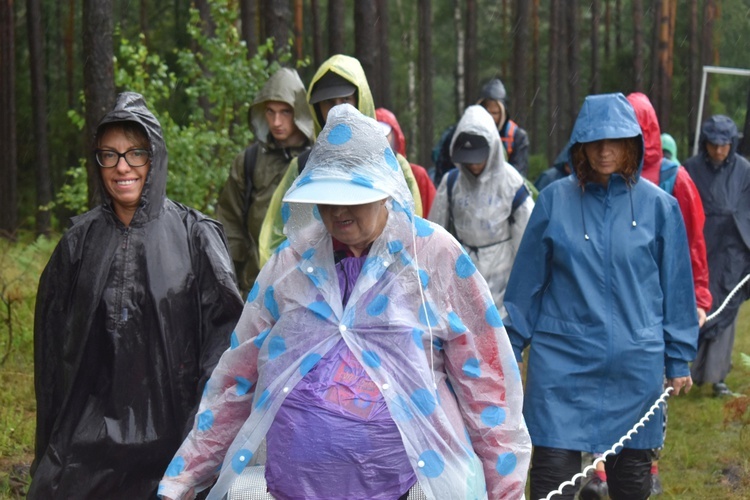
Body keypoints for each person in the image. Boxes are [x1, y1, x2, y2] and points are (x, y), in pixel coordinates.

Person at [157, 104, 531, 500]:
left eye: (352, 196)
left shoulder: (433, 258)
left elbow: (488, 386)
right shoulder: (292, 264)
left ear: (384, 189)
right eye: (327, 196)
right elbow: (236, 380)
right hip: (294, 489)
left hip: (410, 487)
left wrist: (505, 491)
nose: (338, 210)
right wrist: (182, 480)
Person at [29, 92, 244, 499]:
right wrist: (51, 450)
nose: (122, 166)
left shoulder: (195, 237)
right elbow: (53, 361)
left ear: (155, 157)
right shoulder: (78, 244)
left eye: (135, 153)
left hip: (171, 442)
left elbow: (225, 348)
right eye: (109, 155)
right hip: (85, 449)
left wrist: (200, 444)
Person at [503, 93, 698, 500]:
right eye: (595, 142)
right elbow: (526, 284)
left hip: (634, 367)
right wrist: (508, 348)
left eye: (616, 141)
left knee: (631, 486)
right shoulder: (555, 200)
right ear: (580, 146)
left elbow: (677, 288)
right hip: (562, 367)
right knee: (551, 485)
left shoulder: (660, 208)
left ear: (633, 145)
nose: (605, 151)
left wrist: (678, 357)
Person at [257, 54, 424, 267]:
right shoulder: (303, 168)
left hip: (384, 286)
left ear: (361, 100)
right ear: (317, 109)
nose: (338, 110)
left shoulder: (392, 166)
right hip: (315, 290)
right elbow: (276, 236)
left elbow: (411, 232)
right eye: (328, 103)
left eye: (346, 100)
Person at [216, 67, 314, 297]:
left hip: (309, 286)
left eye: (285, 112)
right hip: (255, 284)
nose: (276, 121)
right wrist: (230, 279)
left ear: (299, 112)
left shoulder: (316, 158)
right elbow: (229, 222)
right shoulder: (249, 160)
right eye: (270, 112)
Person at [428, 104, 533, 317]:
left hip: (503, 275)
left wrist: (523, 288)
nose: (475, 166)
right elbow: (435, 232)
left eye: (480, 158)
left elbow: (527, 239)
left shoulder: (511, 183)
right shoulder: (452, 183)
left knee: (500, 338)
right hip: (463, 271)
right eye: (469, 159)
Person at [685, 114, 750, 397]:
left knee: (726, 308)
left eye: (724, 144)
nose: (719, 150)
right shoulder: (690, 169)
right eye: (713, 144)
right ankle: (686, 371)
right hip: (701, 248)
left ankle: (718, 376)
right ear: (705, 143)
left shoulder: (745, 171)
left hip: (733, 250)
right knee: (697, 308)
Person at [376, 107, 437, 217]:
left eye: (385, 135)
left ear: (395, 136)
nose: (381, 141)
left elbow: (433, 215)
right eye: (376, 136)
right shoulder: (360, 177)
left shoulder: (417, 174)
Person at [477, 78, 531, 177]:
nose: (490, 117)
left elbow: (519, 173)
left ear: (503, 113)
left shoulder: (517, 136)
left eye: (495, 113)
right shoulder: (469, 133)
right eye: (487, 112)